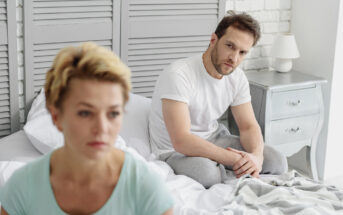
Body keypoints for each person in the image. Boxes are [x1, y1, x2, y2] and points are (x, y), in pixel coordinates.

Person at [0, 43, 173, 215]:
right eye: (85, 113)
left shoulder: (146, 187)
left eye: (113, 113)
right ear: (56, 117)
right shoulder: (23, 187)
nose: (102, 128)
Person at [149, 11, 288, 188]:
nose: (234, 58)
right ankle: (227, 169)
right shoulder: (179, 74)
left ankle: (231, 168)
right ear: (214, 40)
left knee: (277, 161)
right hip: (173, 150)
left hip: (214, 138)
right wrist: (236, 159)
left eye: (242, 52)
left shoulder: (237, 78)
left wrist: (256, 158)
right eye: (230, 46)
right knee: (208, 175)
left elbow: (248, 126)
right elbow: (181, 140)